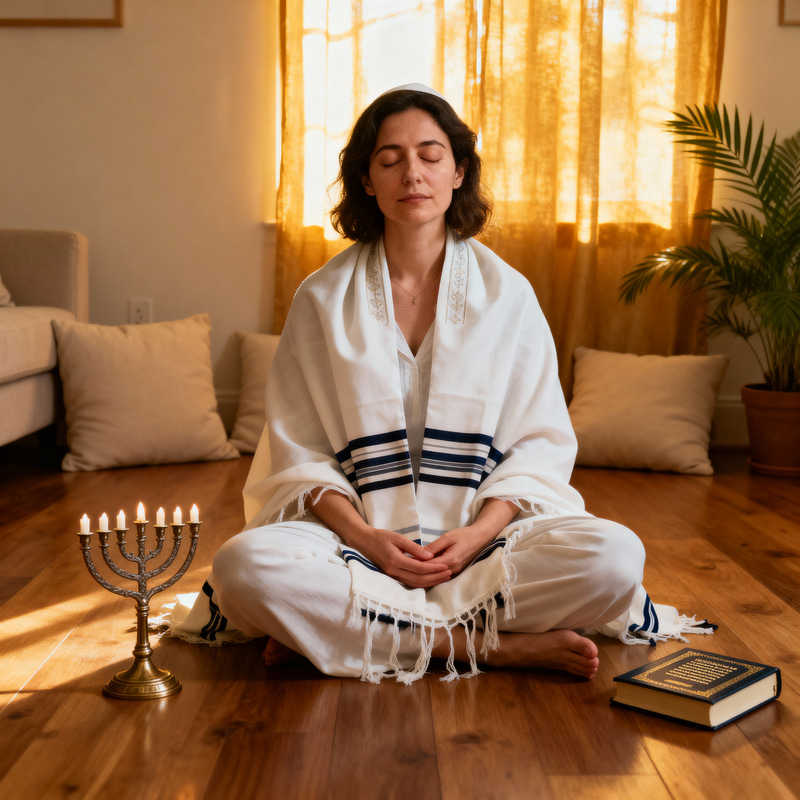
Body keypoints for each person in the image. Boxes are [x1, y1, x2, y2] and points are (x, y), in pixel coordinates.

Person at [175, 84, 709, 683]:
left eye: (430, 155)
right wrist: (368, 539)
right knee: (245, 567)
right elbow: (300, 455)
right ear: (366, 180)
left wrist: (477, 535)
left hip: (481, 546)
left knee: (615, 557)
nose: (413, 174)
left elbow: (537, 445)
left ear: (458, 172)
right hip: (357, 544)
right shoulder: (321, 299)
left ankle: (344, 631)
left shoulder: (508, 295)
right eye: (390, 159)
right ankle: (486, 646)